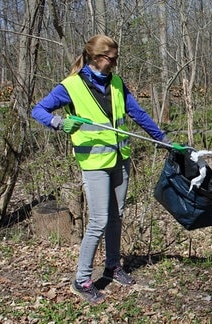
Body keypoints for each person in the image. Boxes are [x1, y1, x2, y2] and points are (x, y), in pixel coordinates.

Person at [31, 35, 170, 304]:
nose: (115, 64)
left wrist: (161, 139)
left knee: (116, 216)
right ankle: (82, 280)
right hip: (94, 163)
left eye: (116, 58)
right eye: (112, 59)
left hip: (120, 158)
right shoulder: (71, 85)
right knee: (98, 221)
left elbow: (137, 113)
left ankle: (112, 265)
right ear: (96, 57)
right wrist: (58, 123)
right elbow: (38, 110)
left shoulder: (116, 83)